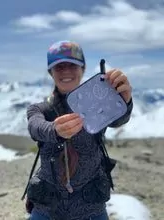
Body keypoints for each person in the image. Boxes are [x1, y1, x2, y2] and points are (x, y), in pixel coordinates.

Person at [26, 40, 133, 220]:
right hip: (47, 208)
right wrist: (54, 130)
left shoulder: (99, 104)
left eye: (72, 65)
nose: (66, 71)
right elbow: (35, 127)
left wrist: (124, 101)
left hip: (91, 206)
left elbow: (119, 120)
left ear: (83, 69)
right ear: (50, 73)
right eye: (59, 67)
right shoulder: (39, 109)